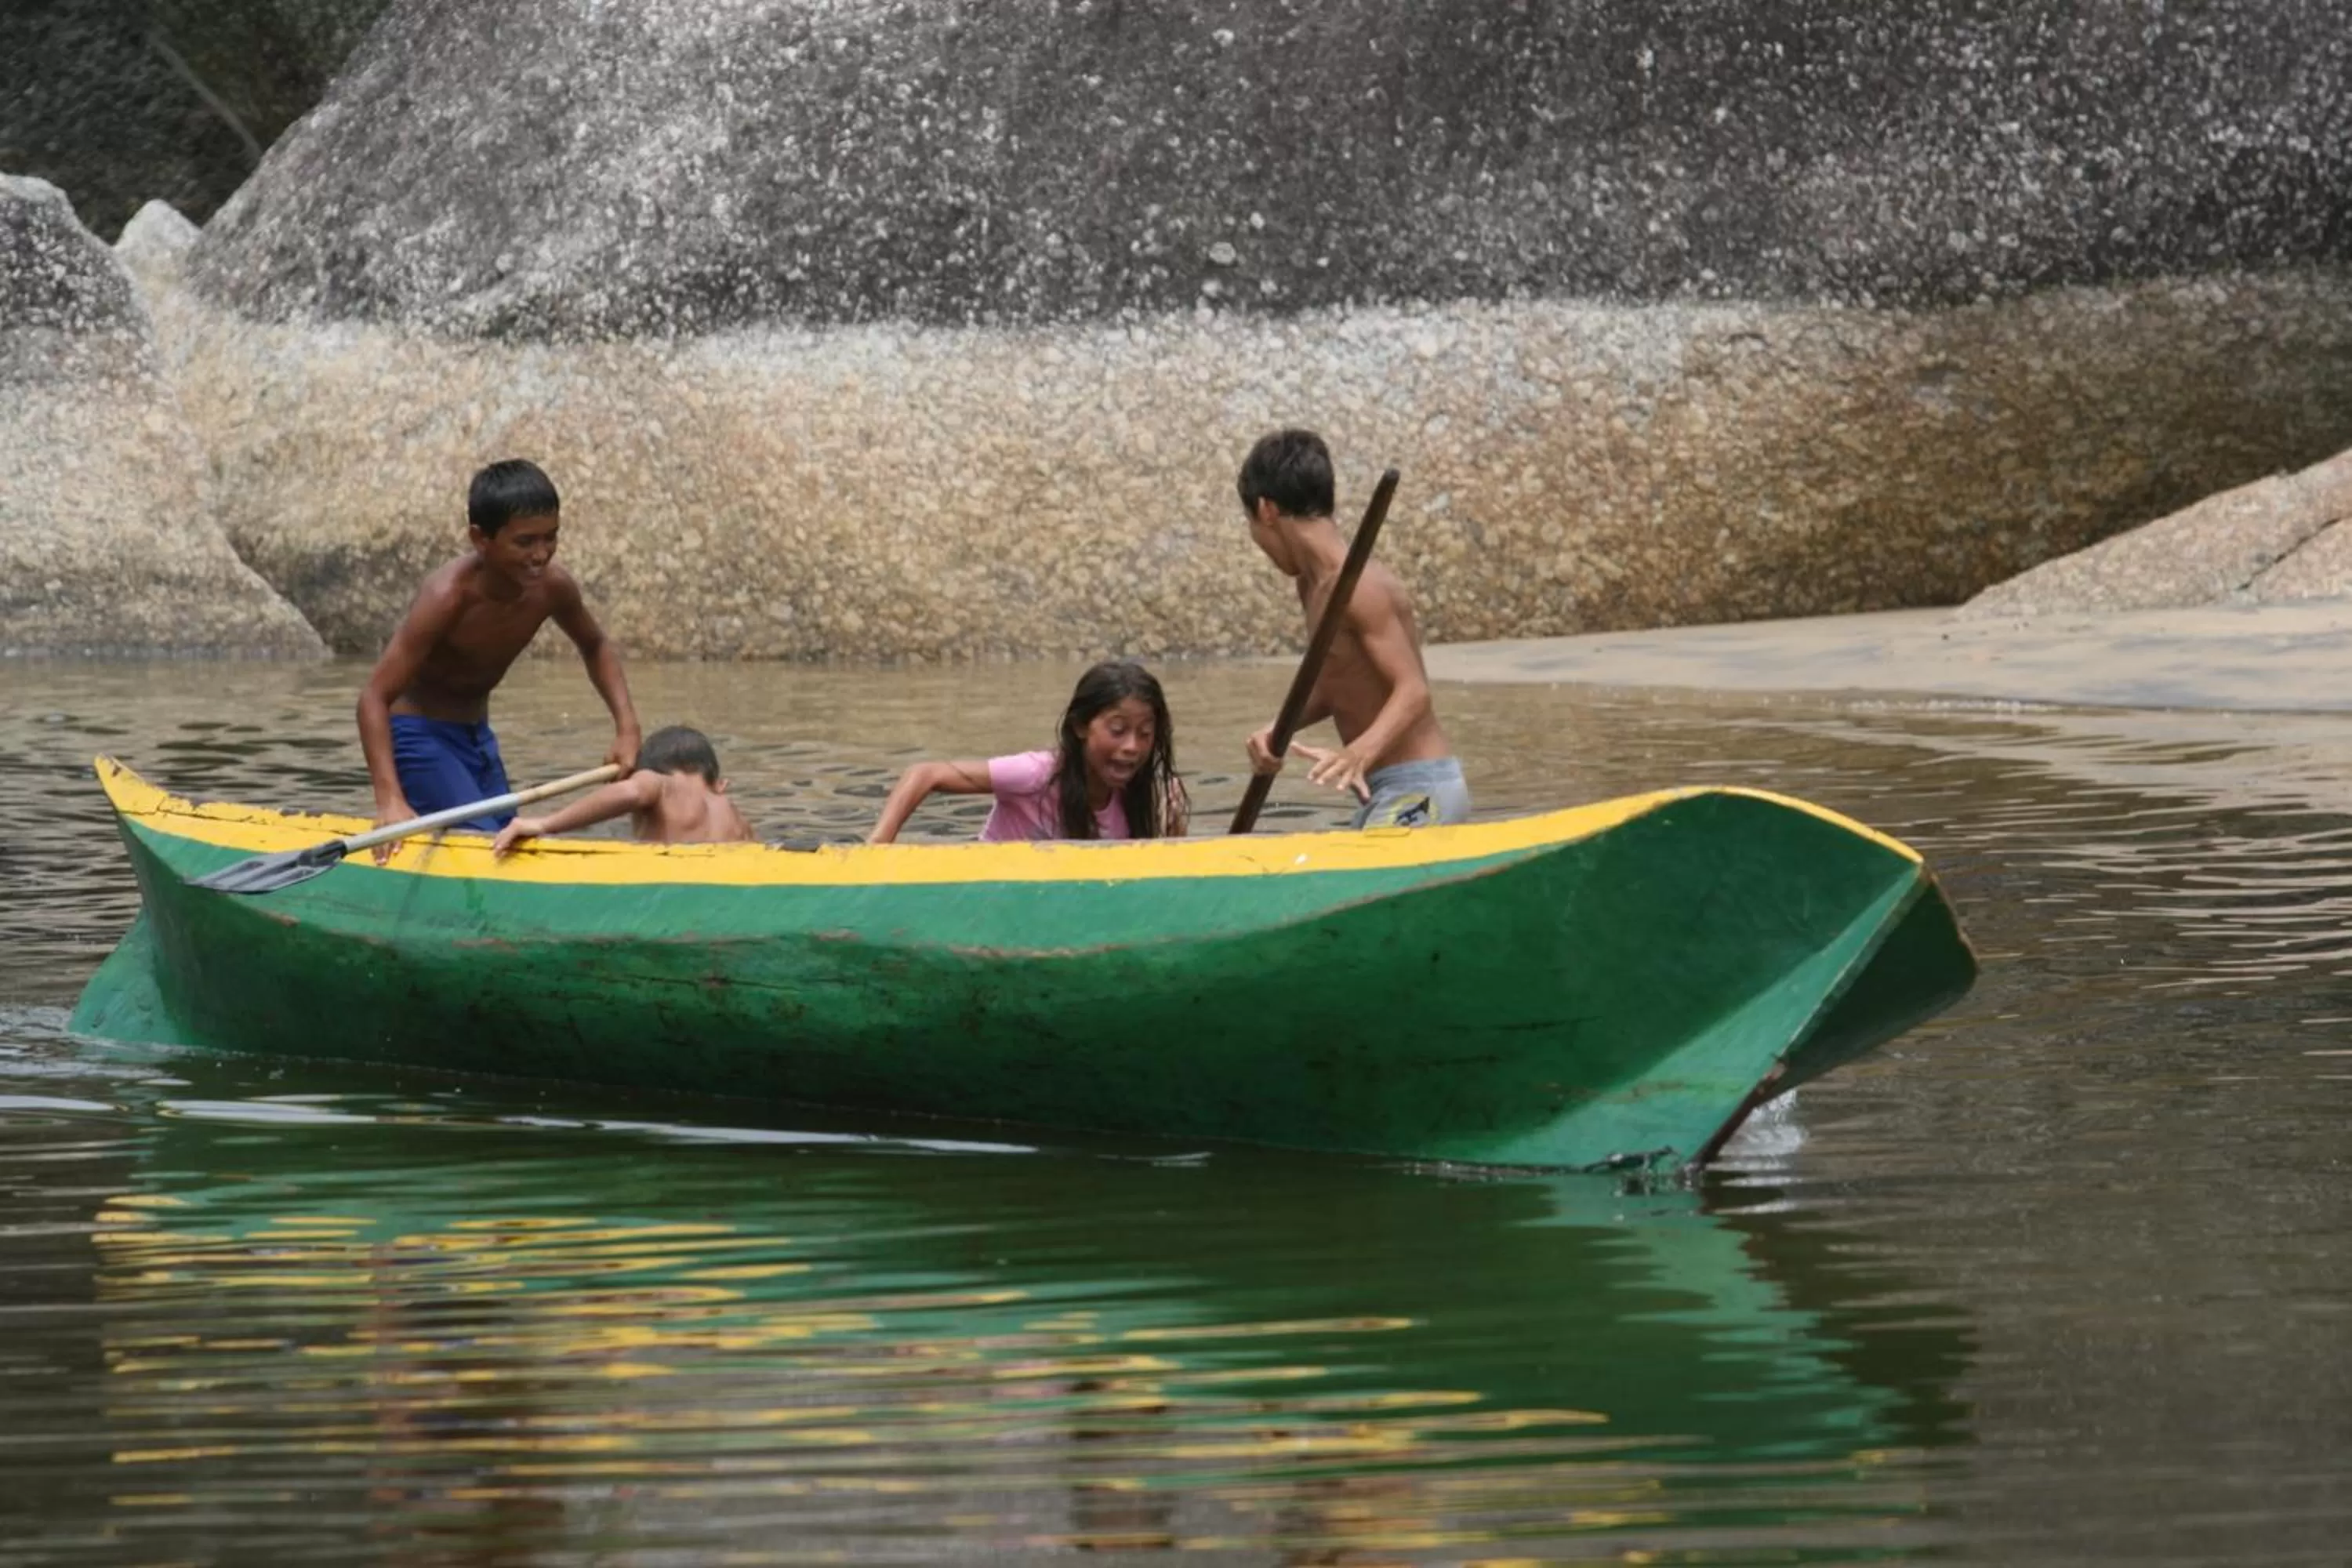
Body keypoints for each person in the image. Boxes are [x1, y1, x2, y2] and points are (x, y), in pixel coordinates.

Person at [358, 459, 641, 845]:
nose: (541, 555)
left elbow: (595, 645)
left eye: (550, 537)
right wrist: (389, 800)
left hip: (477, 738)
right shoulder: (448, 596)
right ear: (480, 539)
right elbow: (373, 697)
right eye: (525, 542)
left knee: (512, 839)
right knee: (485, 844)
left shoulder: (552, 588)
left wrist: (627, 728)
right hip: (417, 736)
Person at [1236, 428, 1470, 828]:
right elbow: (1334, 686)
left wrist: (1357, 752)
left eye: (1251, 525)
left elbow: (1413, 692)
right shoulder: (1312, 585)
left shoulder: (1360, 585)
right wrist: (1276, 732)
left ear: (1266, 510)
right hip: (1376, 790)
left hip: (1420, 788)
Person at [866, 659, 1189, 844]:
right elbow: (925, 774)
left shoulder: (1140, 797)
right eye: (1117, 731)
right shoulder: (1038, 774)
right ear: (1080, 727)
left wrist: (1173, 834)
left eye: (1145, 734)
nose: (1132, 747)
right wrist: (877, 846)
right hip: (989, 894)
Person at [492, 725, 755, 855]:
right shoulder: (735, 816)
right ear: (720, 785)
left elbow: (631, 794)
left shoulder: (661, 784)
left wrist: (544, 824)